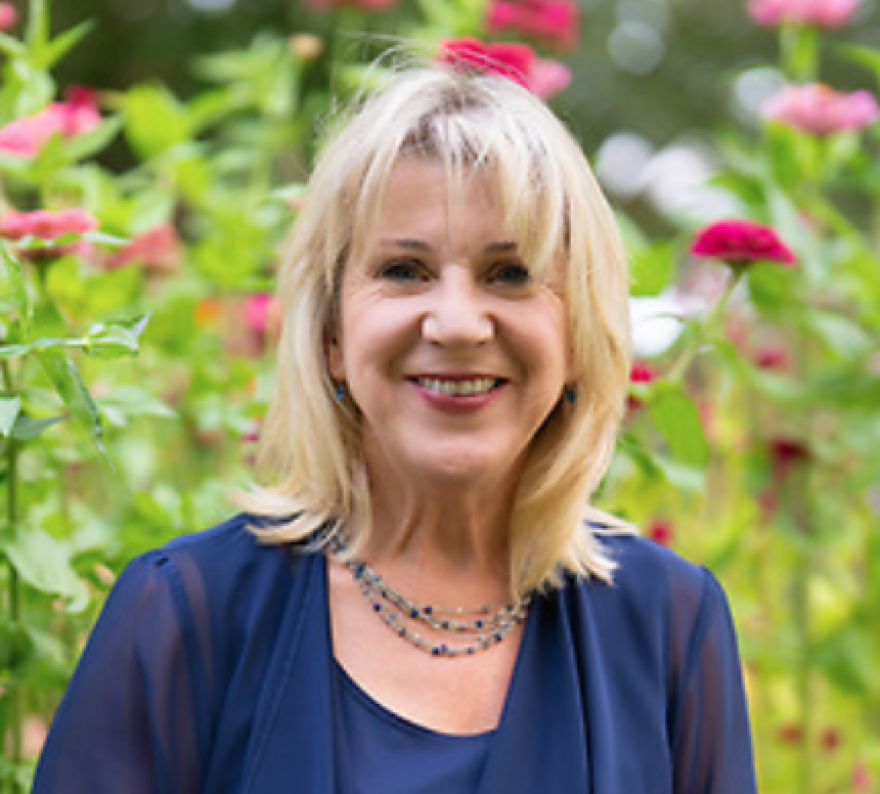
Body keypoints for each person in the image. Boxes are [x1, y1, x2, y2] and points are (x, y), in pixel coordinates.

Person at [32, 66, 756, 794]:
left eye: (509, 273)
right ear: (332, 335)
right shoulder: (183, 620)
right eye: (405, 270)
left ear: (577, 332)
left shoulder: (669, 625)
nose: (457, 324)